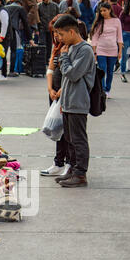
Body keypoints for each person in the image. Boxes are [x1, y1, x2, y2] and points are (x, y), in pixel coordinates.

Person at [51, 14, 96, 187]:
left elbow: (73, 74)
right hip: (69, 101)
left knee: (78, 139)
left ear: (71, 31)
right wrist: (63, 101)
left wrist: (63, 57)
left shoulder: (84, 50)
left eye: (61, 34)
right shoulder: (70, 48)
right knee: (69, 138)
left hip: (79, 101)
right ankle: (72, 169)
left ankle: (80, 174)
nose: (59, 39)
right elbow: (65, 79)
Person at [40, 15, 71, 178]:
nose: (56, 36)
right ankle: (59, 162)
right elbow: (50, 68)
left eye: (58, 33)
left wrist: (61, 90)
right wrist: (50, 88)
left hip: (65, 94)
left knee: (67, 131)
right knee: (58, 129)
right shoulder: (57, 47)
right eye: (54, 33)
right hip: (55, 94)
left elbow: (72, 73)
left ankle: (67, 164)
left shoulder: (72, 47)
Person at [90, 2, 123, 97]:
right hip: (101, 50)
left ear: (109, 10)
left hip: (113, 50)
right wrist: (94, 51)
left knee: (110, 71)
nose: (103, 12)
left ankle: (108, 89)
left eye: (105, 10)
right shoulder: (99, 22)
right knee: (102, 70)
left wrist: (120, 51)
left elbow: (119, 37)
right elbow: (95, 37)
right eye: (101, 11)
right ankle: (103, 90)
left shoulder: (116, 21)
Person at [5, 0, 35, 76]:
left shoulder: (6, 7)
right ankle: (11, 71)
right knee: (13, 50)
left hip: (4, 30)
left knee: (3, 50)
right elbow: (25, 23)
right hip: (13, 29)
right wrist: (30, 38)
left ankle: (1, 71)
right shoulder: (20, 8)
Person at [38, 0, 59, 64]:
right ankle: (42, 59)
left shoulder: (55, 6)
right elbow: (37, 18)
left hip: (51, 29)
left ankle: (47, 59)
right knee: (42, 44)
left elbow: (58, 16)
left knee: (50, 44)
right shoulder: (39, 6)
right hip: (42, 28)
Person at [119, 0, 130, 82]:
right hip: (125, 35)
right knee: (124, 56)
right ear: (128, 2)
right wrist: (119, 37)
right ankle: (122, 73)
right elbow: (119, 25)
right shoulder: (124, 13)